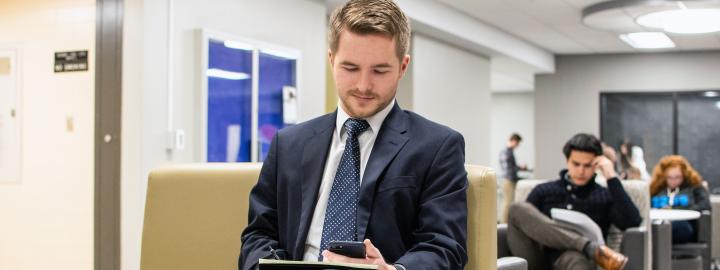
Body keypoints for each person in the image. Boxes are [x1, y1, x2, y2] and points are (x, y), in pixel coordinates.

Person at [239, 1, 468, 269]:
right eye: (350, 68)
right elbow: (258, 234)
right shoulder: (289, 144)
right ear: (331, 60)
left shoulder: (437, 147)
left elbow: (444, 246)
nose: (363, 85)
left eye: (380, 71)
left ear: (402, 67)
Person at [507, 133, 642, 270]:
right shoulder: (544, 191)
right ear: (567, 161)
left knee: (574, 258)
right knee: (517, 209)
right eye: (576, 164)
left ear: (596, 164)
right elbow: (526, 223)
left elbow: (632, 221)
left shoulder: (603, 196)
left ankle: (586, 248)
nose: (581, 171)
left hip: (578, 261)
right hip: (539, 260)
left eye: (587, 165)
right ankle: (589, 247)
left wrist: (611, 177)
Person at [649, 155, 711, 244]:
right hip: (657, 223)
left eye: (677, 177)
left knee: (677, 228)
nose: (673, 181)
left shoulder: (694, 186)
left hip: (684, 225)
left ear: (684, 175)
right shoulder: (655, 189)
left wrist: (674, 210)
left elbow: (705, 205)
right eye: (669, 177)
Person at [500, 133, 527, 223]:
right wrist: (518, 169)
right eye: (518, 143)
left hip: (509, 179)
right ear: (514, 141)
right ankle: (505, 223)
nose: (518, 146)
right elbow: (509, 168)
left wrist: (519, 168)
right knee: (507, 203)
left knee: (508, 202)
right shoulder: (507, 152)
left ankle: (506, 222)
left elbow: (511, 166)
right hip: (509, 180)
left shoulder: (508, 152)